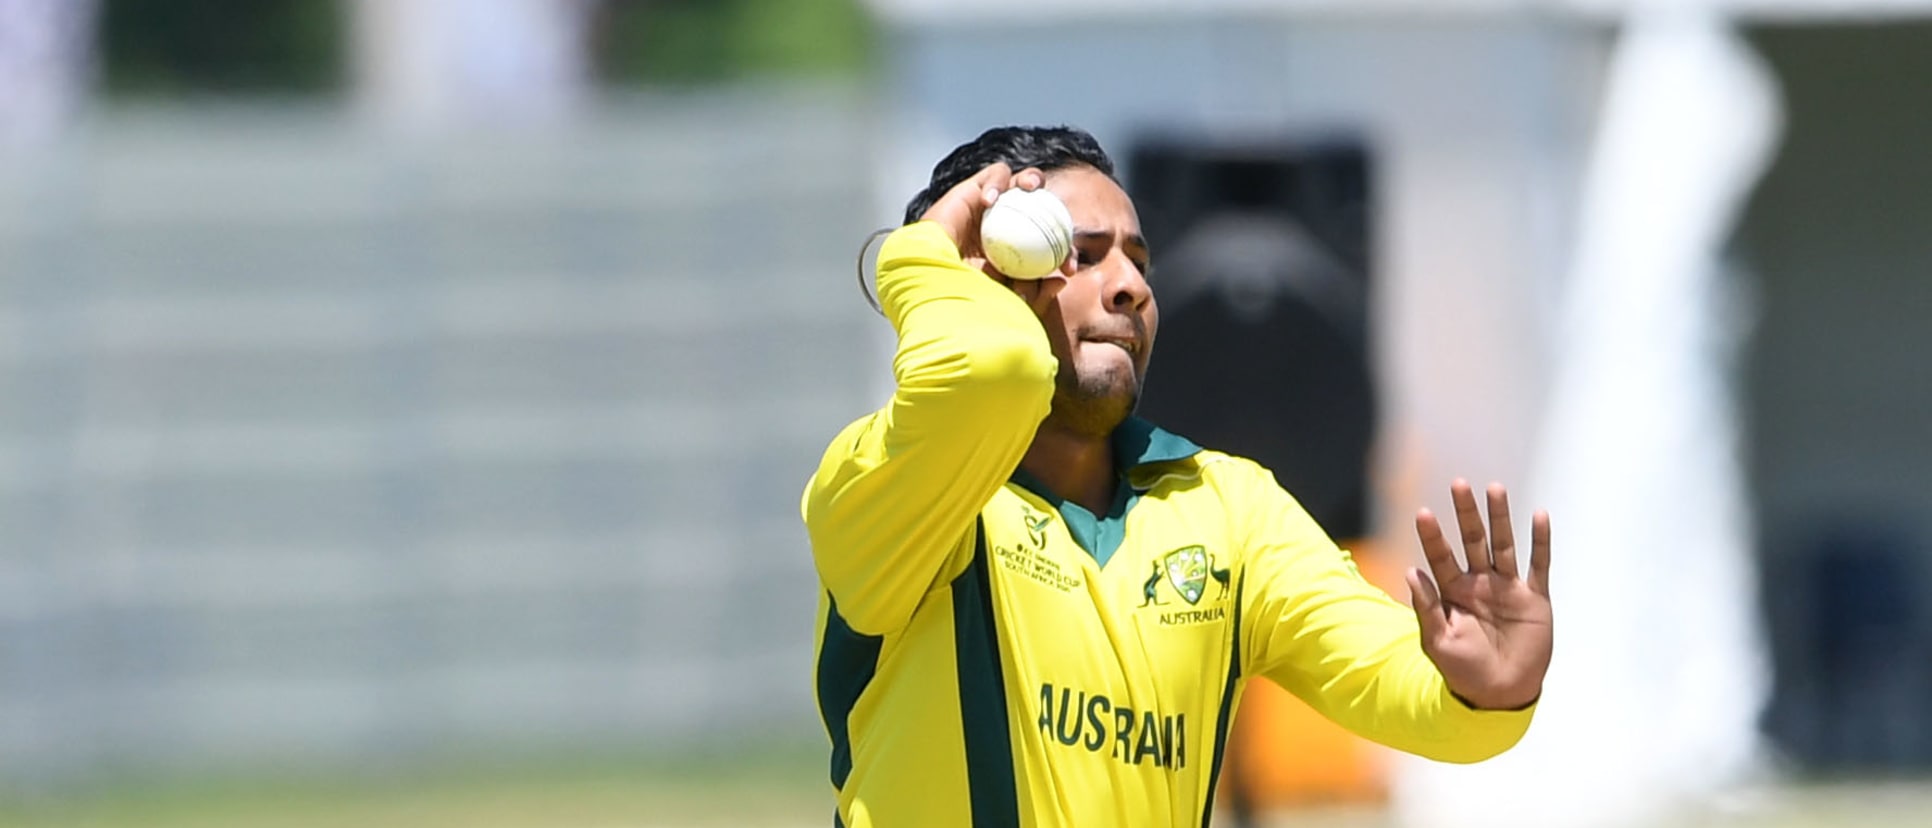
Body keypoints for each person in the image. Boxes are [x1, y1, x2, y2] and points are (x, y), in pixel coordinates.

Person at [802, 126, 1553, 828]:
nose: (1130, 285)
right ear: (983, 279)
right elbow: (990, 376)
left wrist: (1487, 686)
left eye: (1139, 259)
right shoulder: (886, 486)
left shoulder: (1224, 504)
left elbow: (1404, 688)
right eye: (1082, 254)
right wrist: (918, 259)